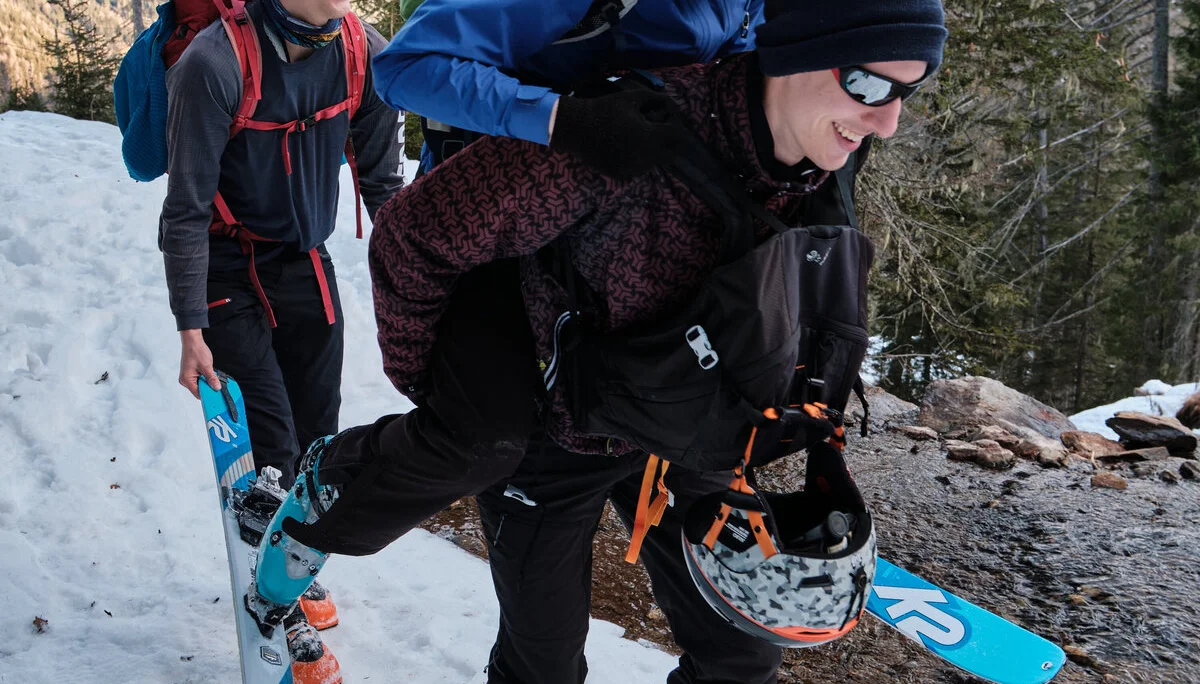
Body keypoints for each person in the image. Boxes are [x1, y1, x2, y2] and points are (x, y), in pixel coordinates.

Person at [268, 2, 947, 683]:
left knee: (742, 660)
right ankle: (327, 488)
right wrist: (429, 377)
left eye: (908, 91)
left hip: (679, 428)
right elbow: (414, 233)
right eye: (867, 84)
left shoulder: (825, 151)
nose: (888, 121)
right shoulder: (628, 136)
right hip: (556, 430)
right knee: (543, 664)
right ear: (799, 48)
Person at [158, 0, 404, 677]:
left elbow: (384, 183)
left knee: (318, 441)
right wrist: (190, 328)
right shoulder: (214, 63)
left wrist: (424, 283)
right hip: (225, 266)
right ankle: (276, 603)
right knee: (273, 446)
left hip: (305, 261)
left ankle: (290, 557)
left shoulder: (362, 52)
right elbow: (184, 211)